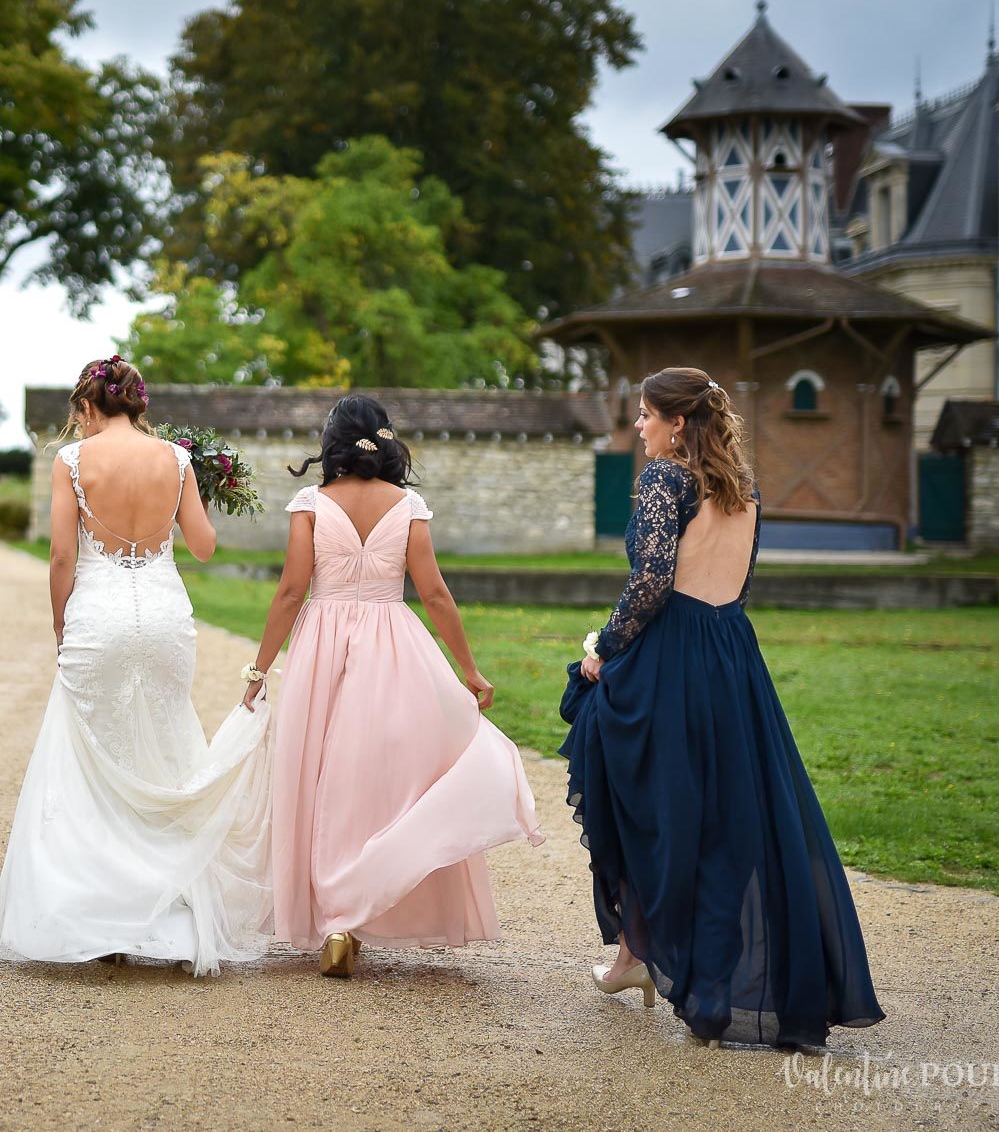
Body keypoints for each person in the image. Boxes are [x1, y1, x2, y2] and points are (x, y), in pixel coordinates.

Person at [559, 366, 884, 1049]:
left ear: (677, 424)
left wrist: (604, 649)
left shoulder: (665, 479)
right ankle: (644, 960)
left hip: (674, 655)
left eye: (647, 414)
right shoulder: (744, 485)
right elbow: (737, 584)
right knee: (726, 819)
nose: (638, 426)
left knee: (632, 790)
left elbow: (650, 582)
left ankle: (643, 951)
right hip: (732, 657)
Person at [0, 356, 272, 975]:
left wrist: (61, 620)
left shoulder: (72, 462)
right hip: (165, 617)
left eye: (77, 414)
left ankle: (101, 916)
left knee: (97, 758)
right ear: (139, 405)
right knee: (163, 751)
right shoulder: (177, 459)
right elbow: (203, 545)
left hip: (100, 614)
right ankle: (169, 916)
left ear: (88, 406)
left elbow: (63, 554)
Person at [244, 395, 544, 977]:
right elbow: (434, 594)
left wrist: (258, 670)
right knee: (380, 777)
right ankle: (355, 906)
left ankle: (335, 921)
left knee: (319, 775)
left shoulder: (310, 503)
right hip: (392, 642)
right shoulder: (408, 506)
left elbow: (290, 591)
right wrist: (468, 669)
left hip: (322, 644)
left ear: (332, 442)